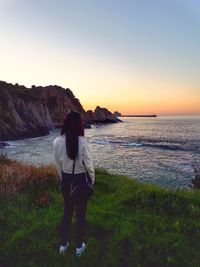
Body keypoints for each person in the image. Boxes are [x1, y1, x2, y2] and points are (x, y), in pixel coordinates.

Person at [53, 111, 95, 257]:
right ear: (78, 124)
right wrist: (91, 182)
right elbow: (89, 166)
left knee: (67, 212)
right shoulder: (82, 141)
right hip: (79, 181)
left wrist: (63, 180)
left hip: (66, 180)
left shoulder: (57, 141)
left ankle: (63, 245)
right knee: (81, 215)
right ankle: (79, 247)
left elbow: (58, 165)